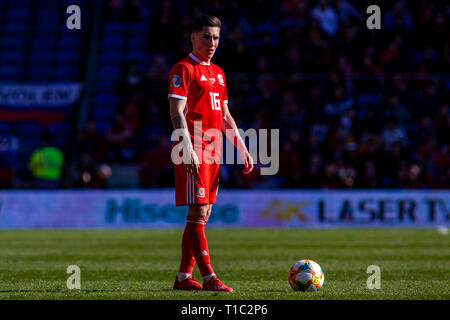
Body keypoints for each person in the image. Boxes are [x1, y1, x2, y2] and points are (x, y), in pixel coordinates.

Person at [168, 15, 254, 292]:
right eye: (206, 36)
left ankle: (183, 277)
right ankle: (209, 277)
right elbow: (176, 112)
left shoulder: (218, 72)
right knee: (198, 209)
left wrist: (242, 148)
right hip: (192, 144)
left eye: (216, 37)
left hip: (214, 148)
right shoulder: (183, 68)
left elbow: (226, 115)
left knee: (202, 213)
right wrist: (187, 147)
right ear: (192, 36)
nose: (212, 42)